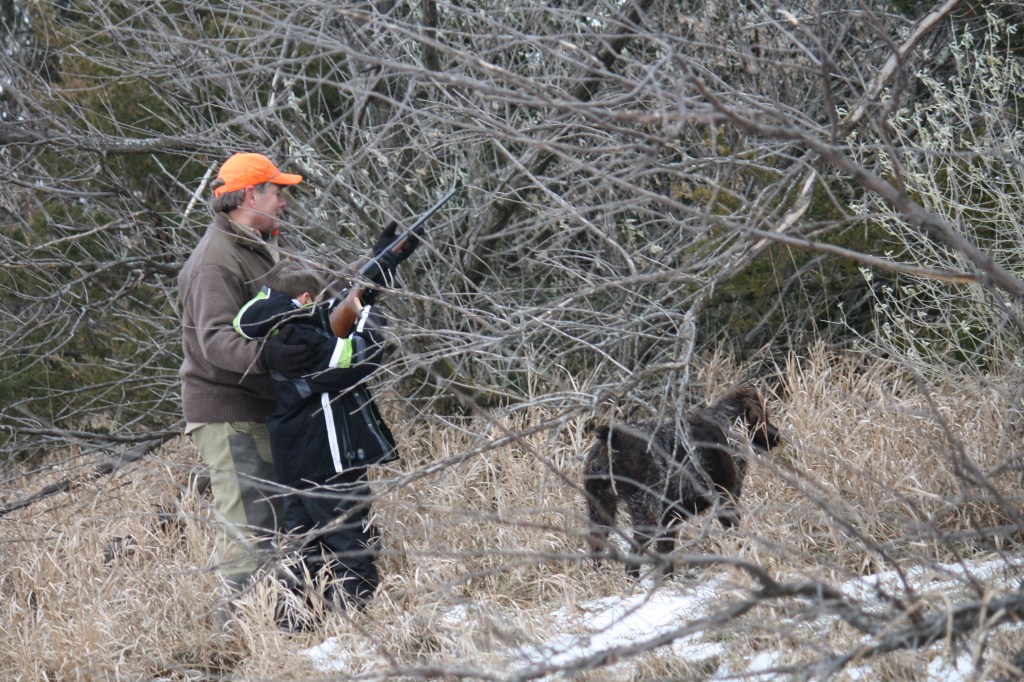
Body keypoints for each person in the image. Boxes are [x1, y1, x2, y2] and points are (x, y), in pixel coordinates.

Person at [178, 152, 318, 615]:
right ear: (250, 196)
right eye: (277, 191)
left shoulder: (260, 246)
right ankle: (231, 638)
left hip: (259, 408)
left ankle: (273, 626)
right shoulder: (214, 261)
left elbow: (306, 292)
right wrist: (268, 356)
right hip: (229, 414)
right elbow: (215, 341)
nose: (284, 201)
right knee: (249, 532)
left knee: (272, 525)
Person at [233, 260, 403, 611]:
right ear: (307, 299)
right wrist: (370, 319)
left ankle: (297, 624)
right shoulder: (301, 336)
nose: (329, 303)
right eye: (323, 297)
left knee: (306, 551)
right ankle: (356, 623)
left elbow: (332, 319)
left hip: (299, 462)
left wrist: (379, 267)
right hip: (327, 460)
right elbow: (355, 359)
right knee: (351, 542)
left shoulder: (281, 328)